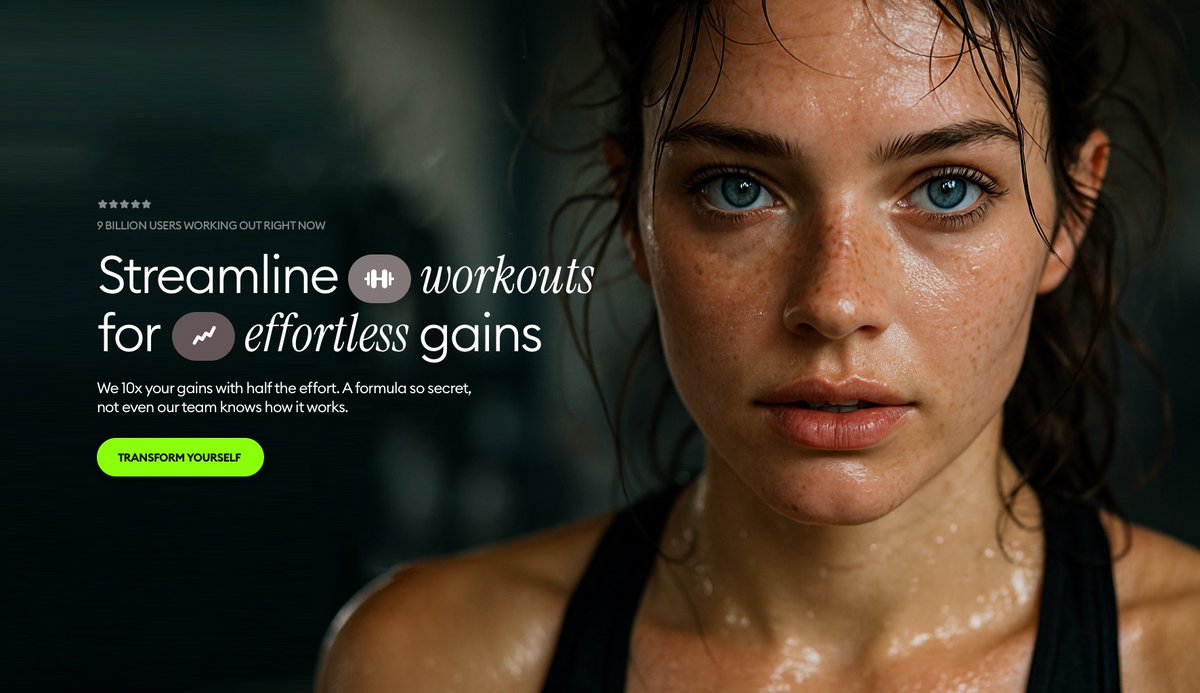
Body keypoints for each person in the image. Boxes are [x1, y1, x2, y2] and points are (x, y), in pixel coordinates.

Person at [316, 0, 1200, 690]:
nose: (835, 301)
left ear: (1069, 213)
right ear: (633, 210)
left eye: (947, 189)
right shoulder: (435, 664)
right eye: (738, 189)